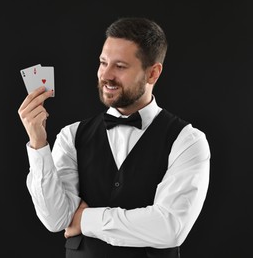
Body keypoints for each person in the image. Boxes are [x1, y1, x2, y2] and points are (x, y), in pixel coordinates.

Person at [18, 17, 210, 258]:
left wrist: (85, 219)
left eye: (120, 66)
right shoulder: (72, 135)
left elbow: (170, 227)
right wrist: (38, 145)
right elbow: (55, 219)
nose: (105, 75)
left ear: (152, 73)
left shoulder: (188, 141)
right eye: (103, 62)